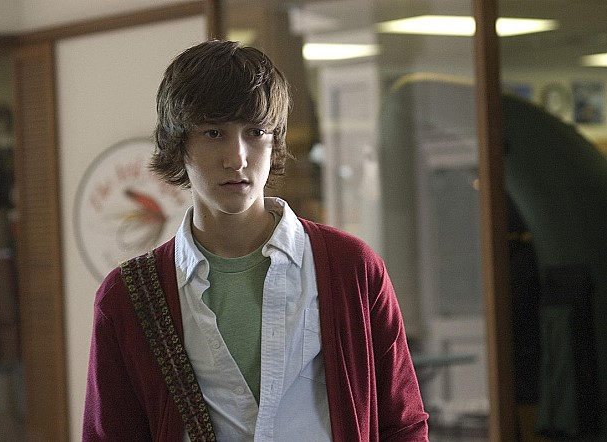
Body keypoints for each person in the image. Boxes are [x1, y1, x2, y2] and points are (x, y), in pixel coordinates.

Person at [83, 39, 428, 441]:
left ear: (274, 141)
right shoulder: (129, 296)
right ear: (179, 145)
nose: (238, 158)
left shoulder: (350, 267)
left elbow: (403, 423)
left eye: (256, 132)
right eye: (214, 133)